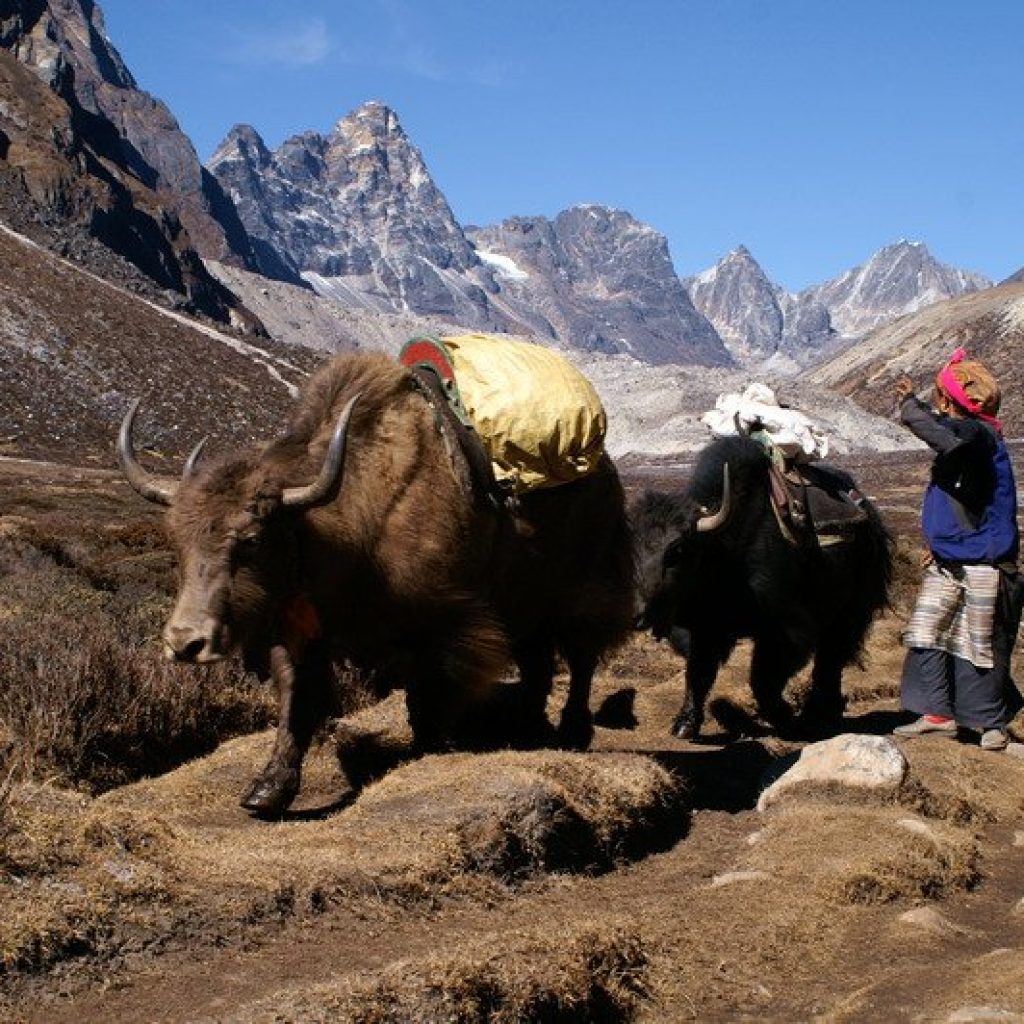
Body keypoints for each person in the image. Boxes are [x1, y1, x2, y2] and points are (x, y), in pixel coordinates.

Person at [893, 348, 1024, 750]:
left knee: (979, 643)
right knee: (927, 632)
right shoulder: (975, 437)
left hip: (984, 562)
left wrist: (909, 406)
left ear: (949, 400)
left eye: (940, 395)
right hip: (952, 558)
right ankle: (937, 714)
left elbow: (941, 433)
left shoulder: (977, 435)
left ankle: (991, 724)